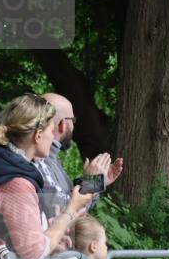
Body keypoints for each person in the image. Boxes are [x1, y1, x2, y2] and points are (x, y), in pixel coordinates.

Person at [0, 94, 94, 259]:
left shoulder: (6, 161)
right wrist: (71, 209)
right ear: (38, 135)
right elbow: (34, 252)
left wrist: (52, 237)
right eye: (50, 130)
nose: (52, 137)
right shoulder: (17, 182)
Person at [41, 92, 124, 220]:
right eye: (72, 120)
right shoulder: (39, 159)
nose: (74, 126)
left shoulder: (50, 157)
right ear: (62, 124)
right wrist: (91, 183)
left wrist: (96, 183)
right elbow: (62, 212)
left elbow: (73, 205)